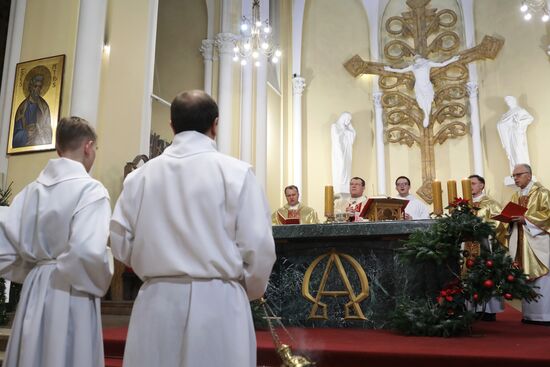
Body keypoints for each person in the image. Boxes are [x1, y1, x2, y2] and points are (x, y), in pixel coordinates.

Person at [110, 90, 276, 366]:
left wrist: (154, 268)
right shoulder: (236, 173)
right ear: (215, 125)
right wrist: (244, 290)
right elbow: (259, 247)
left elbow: (119, 241)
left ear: (172, 126)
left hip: (157, 300)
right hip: (220, 302)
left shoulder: (139, 178)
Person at [0, 116, 113, 367]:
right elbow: (86, 252)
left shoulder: (29, 192)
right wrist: (102, 276)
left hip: (34, 288)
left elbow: (4, 252)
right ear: (88, 147)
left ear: (59, 149)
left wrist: (35, 272)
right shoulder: (91, 190)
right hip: (72, 291)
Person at [507, 164, 550, 325]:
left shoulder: (543, 193)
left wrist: (527, 219)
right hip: (521, 241)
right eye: (514, 176)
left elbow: (548, 214)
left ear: (529, 176)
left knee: (543, 278)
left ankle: (545, 315)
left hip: (538, 242)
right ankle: (529, 315)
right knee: (524, 276)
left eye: (519, 175)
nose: (516, 178)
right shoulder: (515, 196)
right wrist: (508, 221)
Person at [384, 54, 459, 128]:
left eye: (418, 57)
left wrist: (452, 59)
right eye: (415, 58)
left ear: (421, 58)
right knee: (421, 101)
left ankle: (427, 115)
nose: (417, 59)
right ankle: (425, 114)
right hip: (419, 86)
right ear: (414, 60)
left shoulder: (428, 63)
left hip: (426, 85)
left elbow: (441, 64)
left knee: (428, 100)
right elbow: (401, 70)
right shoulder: (413, 66)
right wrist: (390, 69)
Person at [468, 174, 505, 321]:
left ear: (482, 185)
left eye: (473, 183)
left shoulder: (491, 203)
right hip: (468, 246)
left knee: (487, 274)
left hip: (486, 245)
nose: (470, 186)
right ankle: (472, 308)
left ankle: (489, 310)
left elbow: (499, 224)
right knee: (469, 275)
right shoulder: (464, 204)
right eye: (468, 184)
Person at [12, 71, 53, 148]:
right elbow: (15, 136)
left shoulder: (44, 107)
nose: (37, 89)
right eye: (35, 86)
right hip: (25, 143)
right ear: (30, 87)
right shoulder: (22, 108)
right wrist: (26, 133)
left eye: (39, 87)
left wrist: (38, 130)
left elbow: (48, 131)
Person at [496, 96, 534, 174]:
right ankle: (515, 170)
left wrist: (519, 122)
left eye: (509, 100)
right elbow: (501, 125)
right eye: (506, 101)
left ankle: (523, 170)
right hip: (509, 135)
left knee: (518, 150)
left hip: (517, 134)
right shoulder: (505, 115)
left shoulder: (519, 110)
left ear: (514, 100)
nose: (508, 102)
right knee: (512, 152)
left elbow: (530, 118)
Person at [331, 112, 356, 194]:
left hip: (347, 151)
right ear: (343, 118)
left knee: (346, 168)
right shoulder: (334, 126)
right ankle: (340, 187)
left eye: (349, 120)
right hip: (339, 151)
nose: (348, 121)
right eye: (348, 119)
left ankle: (345, 187)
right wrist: (343, 131)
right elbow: (336, 137)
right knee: (341, 167)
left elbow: (353, 135)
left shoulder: (347, 129)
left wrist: (349, 127)